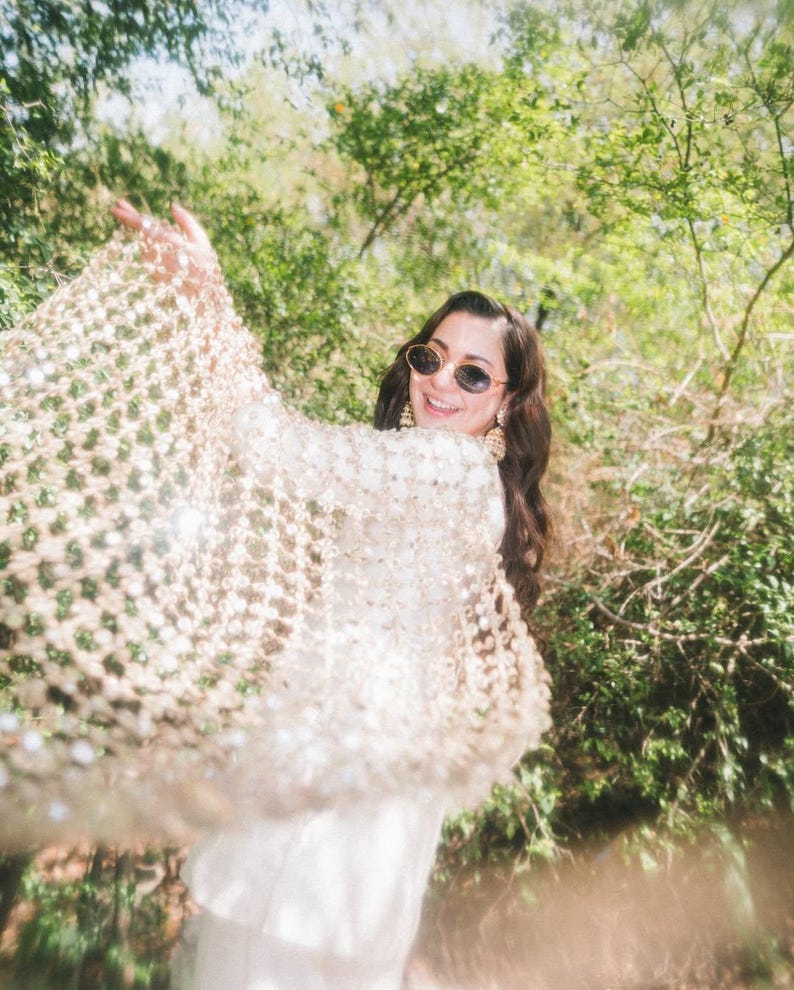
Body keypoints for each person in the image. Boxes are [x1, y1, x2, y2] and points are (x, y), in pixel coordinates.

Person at [0, 201, 552, 989]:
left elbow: (273, 446)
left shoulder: (447, 470)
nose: (440, 382)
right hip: (344, 767)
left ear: (504, 404)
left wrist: (205, 292)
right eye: (431, 357)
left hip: (340, 789)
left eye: (472, 373)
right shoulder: (442, 477)